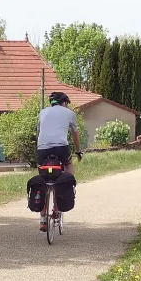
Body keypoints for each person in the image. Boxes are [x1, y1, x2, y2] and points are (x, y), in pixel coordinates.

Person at [36, 91, 83, 230]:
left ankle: (43, 219)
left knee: (42, 178)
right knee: (68, 163)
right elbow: (75, 136)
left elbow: (38, 134)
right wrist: (78, 151)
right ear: (64, 103)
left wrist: (39, 150)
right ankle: (68, 185)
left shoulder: (42, 112)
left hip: (42, 148)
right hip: (61, 148)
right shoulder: (69, 113)